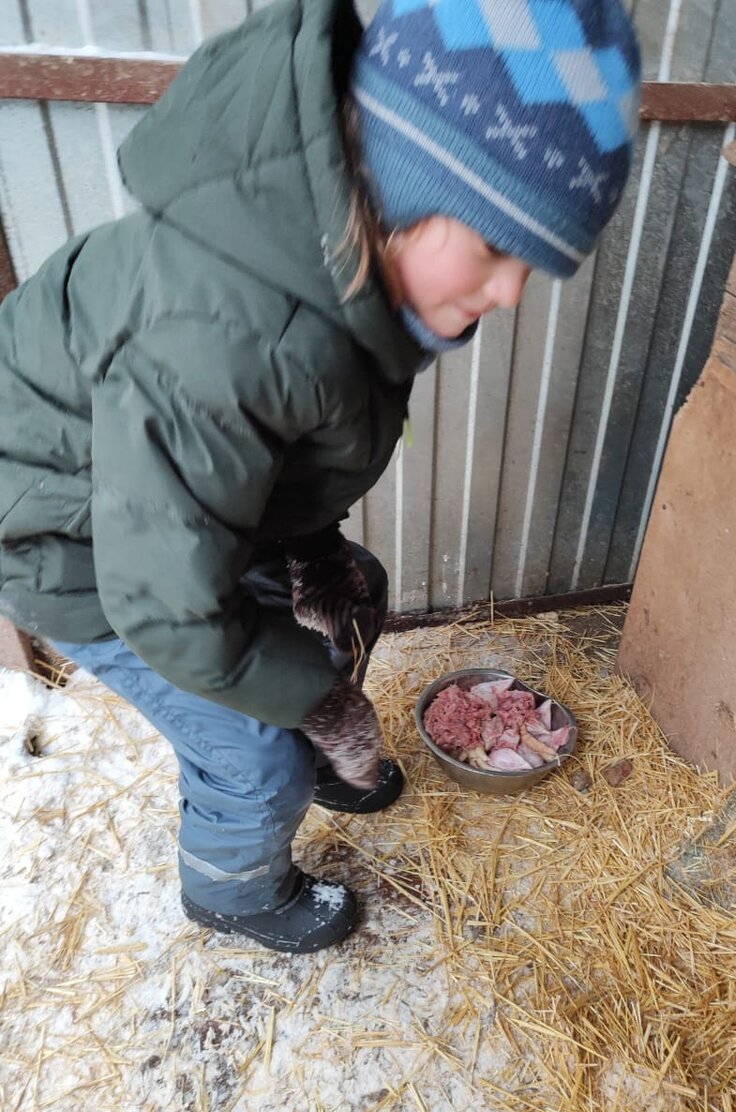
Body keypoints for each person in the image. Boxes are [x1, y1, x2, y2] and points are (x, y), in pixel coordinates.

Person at [0, 0, 640, 953]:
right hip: (68, 545)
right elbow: (163, 599)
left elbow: (273, 455)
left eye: (533, 266)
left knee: (352, 594)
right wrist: (321, 703)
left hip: (158, 514)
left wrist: (313, 549)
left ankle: (311, 744)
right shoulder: (227, 336)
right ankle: (234, 889)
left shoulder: (340, 274)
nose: (510, 292)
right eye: (496, 249)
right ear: (398, 185)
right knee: (255, 758)